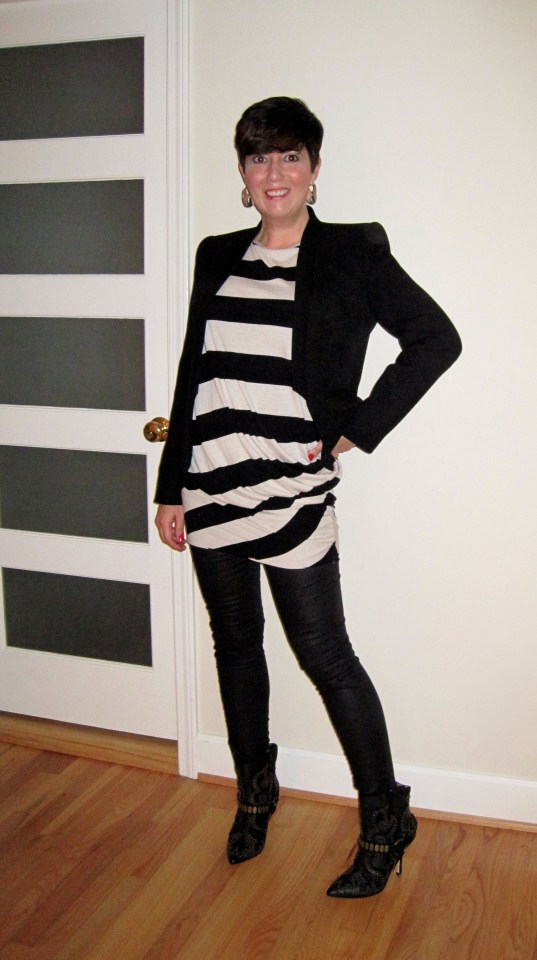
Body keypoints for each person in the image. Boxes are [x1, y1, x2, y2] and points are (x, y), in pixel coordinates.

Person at [155, 96, 462, 898]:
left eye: (290, 156)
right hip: (210, 482)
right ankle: (255, 793)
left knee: (325, 655)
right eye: (258, 157)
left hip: (292, 493)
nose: (274, 173)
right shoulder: (215, 254)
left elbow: (435, 339)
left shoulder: (352, 253)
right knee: (234, 643)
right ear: (242, 173)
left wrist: (355, 430)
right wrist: (171, 485)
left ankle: (386, 819)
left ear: (314, 170)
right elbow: (193, 370)